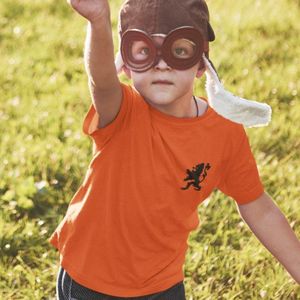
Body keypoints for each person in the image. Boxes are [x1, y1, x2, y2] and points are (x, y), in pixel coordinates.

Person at [49, 0, 300, 299]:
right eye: (144, 50)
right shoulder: (122, 111)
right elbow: (102, 82)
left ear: (200, 64)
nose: (162, 63)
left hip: (162, 283)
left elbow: (257, 206)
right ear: (126, 64)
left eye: (179, 51)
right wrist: (97, 22)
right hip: (92, 279)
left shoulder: (224, 131)